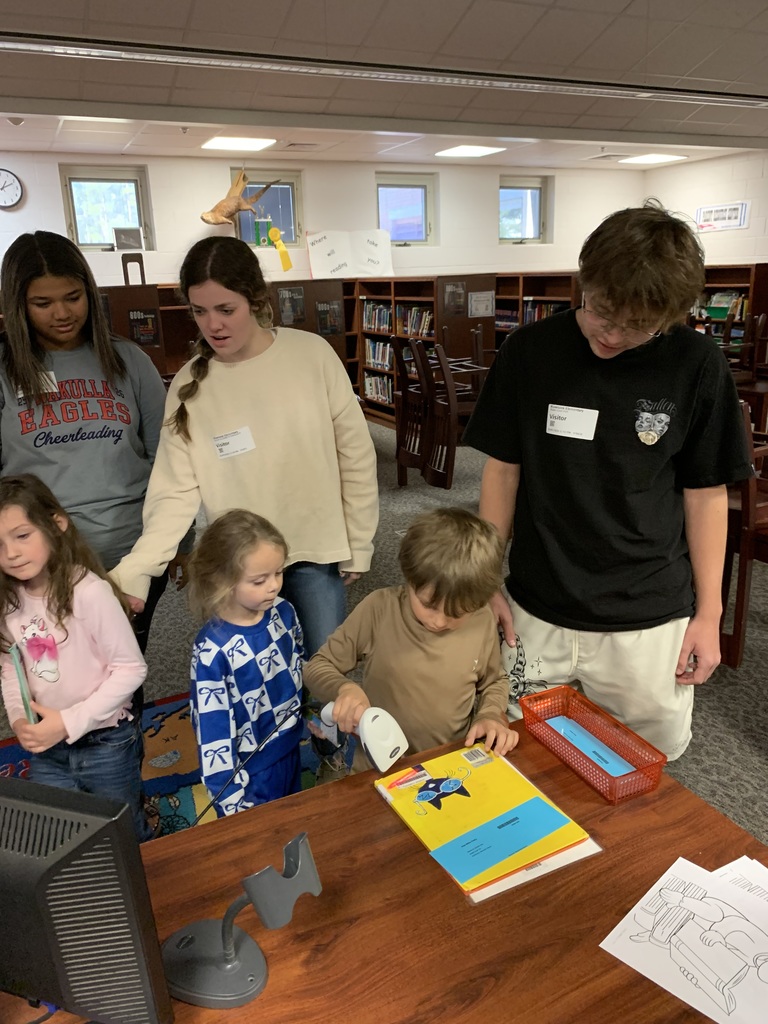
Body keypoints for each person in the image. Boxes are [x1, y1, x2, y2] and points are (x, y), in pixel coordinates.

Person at [463, 199, 752, 761]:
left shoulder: (697, 363)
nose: (614, 336)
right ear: (584, 282)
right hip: (537, 603)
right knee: (523, 756)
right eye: (602, 312)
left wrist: (710, 613)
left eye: (638, 326)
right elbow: (502, 472)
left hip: (648, 614)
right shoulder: (530, 351)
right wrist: (485, 580)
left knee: (642, 764)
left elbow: (706, 494)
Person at [110, 235, 379, 661]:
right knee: (252, 680)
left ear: (254, 300)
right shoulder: (189, 385)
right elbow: (173, 492)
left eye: (225, 309)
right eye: (199, 311)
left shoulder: (311, 355)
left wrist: (360, 540)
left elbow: (356, 456)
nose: (213, 325)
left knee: (324, 674)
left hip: (313, 550)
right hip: (238, 566)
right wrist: (140, 567)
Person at [0, 230, 176, 653]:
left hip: (130, 554)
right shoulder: (5, 370)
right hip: (38, 562)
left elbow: (169, 460)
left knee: (124, 669)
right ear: (18, 305)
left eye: (73, 297)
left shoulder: (129, 360)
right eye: (43, 303)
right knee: (53, 672)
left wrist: (178, 542)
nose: (62, 313)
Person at [303, 508, 518, 772]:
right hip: (378, 767)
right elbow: (317, 666)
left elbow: (494, 681)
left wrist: (490, 714)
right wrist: (344, 689)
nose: (439, 621)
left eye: (457, 613)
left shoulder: (481, 620)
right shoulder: (379, 609)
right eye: (428, 605)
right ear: (409, 579)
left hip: (448, 766)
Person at [0, 474, 150, 841]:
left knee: (124, 832)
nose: (11, 553)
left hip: (106, 741)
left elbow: (132, 669)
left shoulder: (89, 592)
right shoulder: (8, 600)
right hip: (48, 745)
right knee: (62, 834)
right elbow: (10, 666)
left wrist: (68, 722)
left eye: (22, 535)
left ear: (56, 525)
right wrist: (19, 718)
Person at [187, 509, 303, 816]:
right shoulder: (212, 651)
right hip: (250, 772)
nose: (273, 586)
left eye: (279, 573)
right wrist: (232, 803)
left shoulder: (284, 611)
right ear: (221, 580)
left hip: (290, 745)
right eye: (259, 580)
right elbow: (212, 732)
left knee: (295, 820)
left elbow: (297, 668)